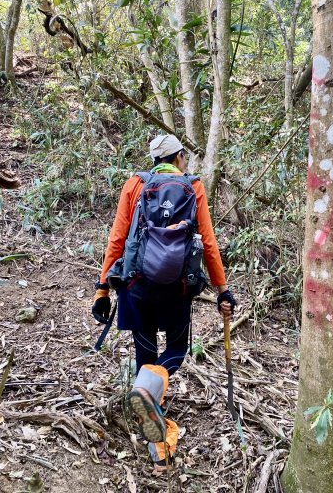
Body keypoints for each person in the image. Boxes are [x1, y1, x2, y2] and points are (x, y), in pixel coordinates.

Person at [92, 134, 236, 474]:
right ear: (180, 157)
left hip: (135, 287)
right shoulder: (193, 187)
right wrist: (222, 290)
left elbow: (117, 238)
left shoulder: (135, 184)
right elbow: (210, 245)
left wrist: (101, 287)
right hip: (177, 289)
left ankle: (151, 423)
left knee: (145, 355)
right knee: (175, 351)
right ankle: (153, 425)